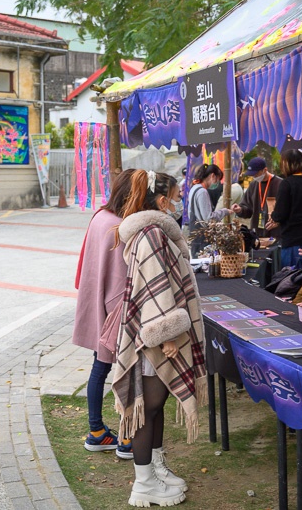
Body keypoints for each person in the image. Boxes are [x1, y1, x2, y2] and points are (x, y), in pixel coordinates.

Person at [113, 170, 206, 507]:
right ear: (163, 200)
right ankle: (143, 483)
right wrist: (168, 337)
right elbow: (156, 287)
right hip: (156, 339)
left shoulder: (150, 230)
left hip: (153, 334)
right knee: (147, 408)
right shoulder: (151, 233)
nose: (180, 201)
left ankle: (155, 469)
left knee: (155, 407)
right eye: (177, 195)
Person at [71, 169, 138, 461]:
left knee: (100, 368)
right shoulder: (121, 227)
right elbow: (125, 276)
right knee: (127, 371)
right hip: (115, 309)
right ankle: (125, 437)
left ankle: (97, 432)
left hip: (97, 301)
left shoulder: (100, 216)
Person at [266, 149, 302, 267]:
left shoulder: (287, 184)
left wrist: (274, 216)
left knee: (294, 281)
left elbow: (280, 214)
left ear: (286, 164)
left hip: (295, 243)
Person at [231, 156, 280, 247]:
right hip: (258, 235)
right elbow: (247, 209)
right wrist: (240, 210)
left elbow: (288, 210)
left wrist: (278, 221)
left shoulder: (280, 184)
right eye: (252, 175)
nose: (254, 177)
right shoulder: (253, 185)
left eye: (256, 174)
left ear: (265, 170)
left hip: (276, 236)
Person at [187, 164, 228, 257]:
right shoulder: (202, 191)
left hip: (194, 235)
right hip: (202, 238)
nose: (217, 183)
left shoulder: (194, 188)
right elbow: (209, 218)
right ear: (212, 176)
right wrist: (225, 211)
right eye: (218, 179)